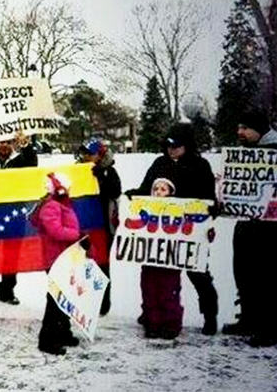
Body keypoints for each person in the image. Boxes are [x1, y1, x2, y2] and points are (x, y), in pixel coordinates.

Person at [125, 123, 219, 335]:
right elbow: (146, 188)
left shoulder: (200, 165)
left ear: (187, 145)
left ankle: (209, 315)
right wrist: (136, 195)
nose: (172, 149)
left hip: (189, 230)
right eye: (168, 145)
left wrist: (210, 209)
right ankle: (150, 313)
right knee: (154, 274)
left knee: (199, 274)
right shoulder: (160, 163)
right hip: (160, 231)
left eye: (177, 145)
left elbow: (208, 196)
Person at [222, 109, 277, 347]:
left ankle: (270, 326)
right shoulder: (245, 153)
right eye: (238, 127)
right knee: (243, 272)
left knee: (267, 275)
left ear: (259, 129)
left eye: (245, 128)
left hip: (271, 227)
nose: (239, 132)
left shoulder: (273, 151)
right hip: (246, 221)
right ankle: (249, 318)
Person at [0, 132, 38, 305]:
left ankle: (7, 291)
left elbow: (33, 163)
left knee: (11, 255)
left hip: (14, 215)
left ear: (13, 144)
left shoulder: (21, 162)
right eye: (1, 142)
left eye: (8, 142)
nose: (4, 145)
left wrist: (26, 145)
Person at [35, 172, 85, 355]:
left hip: (65, 256)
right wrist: (76, 235)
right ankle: (48, 339)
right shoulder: (51, 206)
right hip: (56, 258)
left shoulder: (61, 204)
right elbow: (55, 230)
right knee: (56, 300)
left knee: (65, 297)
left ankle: (63, 332)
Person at [76, 138, 120, 316]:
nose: (86, 156)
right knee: (81, 264)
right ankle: (84, 299)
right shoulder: (77, 169)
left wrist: (101, 175)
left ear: (99, 154)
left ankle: (103, 303)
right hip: (82, 227)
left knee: (101, 264)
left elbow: (116, 192)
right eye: (84, 153)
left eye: (90, 153)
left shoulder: (110, 171)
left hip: (103, 227)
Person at [139, 177, 183, 340]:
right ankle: (153, 323)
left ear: (171, 193)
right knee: (149, 290)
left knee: (168, 292)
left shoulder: (180, 210)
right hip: (149, 258)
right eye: (156, 189)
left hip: (170, 261)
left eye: (163, 189)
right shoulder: (145, 209)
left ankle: (170, 324)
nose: (158, 192)